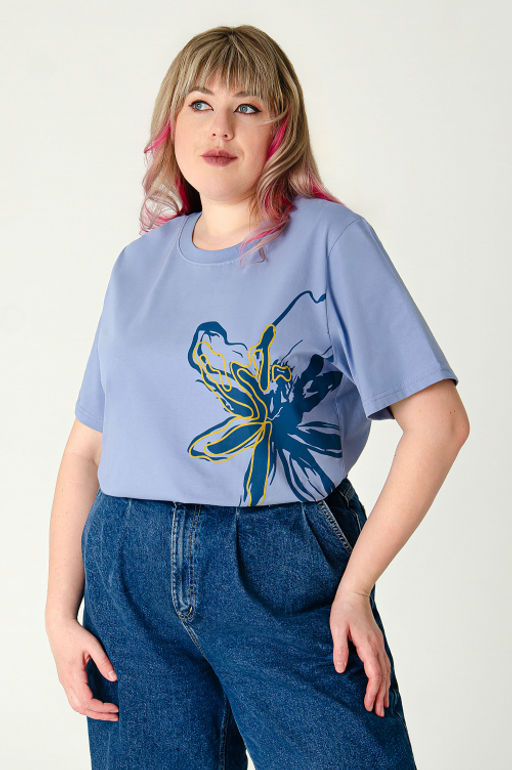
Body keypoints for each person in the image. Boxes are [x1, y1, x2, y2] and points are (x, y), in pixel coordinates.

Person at [45, 24, 469, 770]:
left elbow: (439, 425)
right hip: (127, 575)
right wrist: (57, 611)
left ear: (282, 129)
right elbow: (87, 450)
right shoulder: (138, 265)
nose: (220, 126)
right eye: (200, 103)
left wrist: (355, 589)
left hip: (278, 564)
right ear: (171, 124)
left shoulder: (332, 240)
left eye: (247, 107)